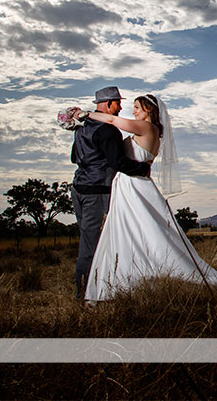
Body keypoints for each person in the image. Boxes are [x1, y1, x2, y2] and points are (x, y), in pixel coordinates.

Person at [79, 94, 217, 302]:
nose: (134, 110)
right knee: (135, 231)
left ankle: (132, 276)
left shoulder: (145, 128)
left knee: (142, 231)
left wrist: (85, 115)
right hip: (131, 184)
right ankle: (130, 276)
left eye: (137, 107)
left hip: (133, 185)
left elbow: (111, 120)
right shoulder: (152, 131)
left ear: (149, 110)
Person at [70, 86, 152, 300]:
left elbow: (74, 158)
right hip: (97, 192)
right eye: (118, 103)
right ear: (108, 104)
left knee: (90, 240)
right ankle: (84, 294)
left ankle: (97, 288)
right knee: (93, 245)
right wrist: (143, 169)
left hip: (78, 189)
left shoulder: (82, 127)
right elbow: (119, 162)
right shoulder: (108, 131)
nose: (121, 107)